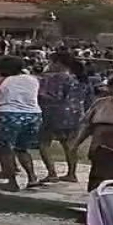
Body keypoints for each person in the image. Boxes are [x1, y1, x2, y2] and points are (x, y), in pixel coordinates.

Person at [0, 56, 43, 192]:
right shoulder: (33, 79)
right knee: (21, 148)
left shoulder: (0, 81)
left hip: (9, 114)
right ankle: (32, 178)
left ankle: (11, 182)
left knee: (5, 149)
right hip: (33, 114)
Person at [37, 53, 84, 183]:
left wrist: (38, 94)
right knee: (69, 145)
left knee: (43, 143)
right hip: (73, 115)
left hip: (52, 113)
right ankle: (71, 173)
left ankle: (52, 173)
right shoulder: (76, 78)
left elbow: (53, 96)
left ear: (58, 63)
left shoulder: (53, 78)